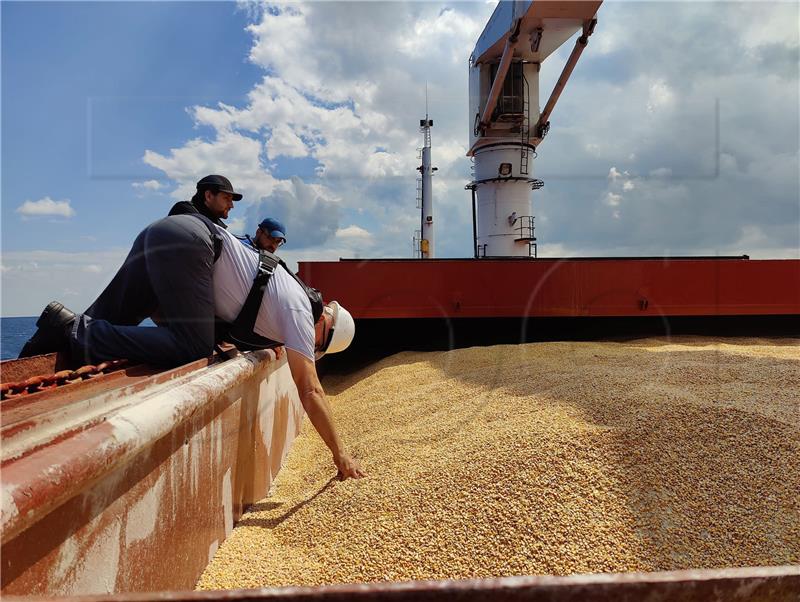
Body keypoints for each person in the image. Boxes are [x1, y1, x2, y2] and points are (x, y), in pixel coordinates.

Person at [19, 213, 365, 479]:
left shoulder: (287, 293)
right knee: (192, 347)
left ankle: (52, 339)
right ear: (325, 327)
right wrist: (340, 454)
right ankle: (69, 326)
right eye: (317, 347)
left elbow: (244, 306)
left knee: (107, 324)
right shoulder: (302, 312)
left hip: (168, 233)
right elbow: (311, 390)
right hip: (193, 245)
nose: (309, 349)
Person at [168, 174, 242, 227]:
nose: (231, 206)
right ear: (208, 196)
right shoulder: (184, 212)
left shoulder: (215, 224)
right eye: (226, 198)